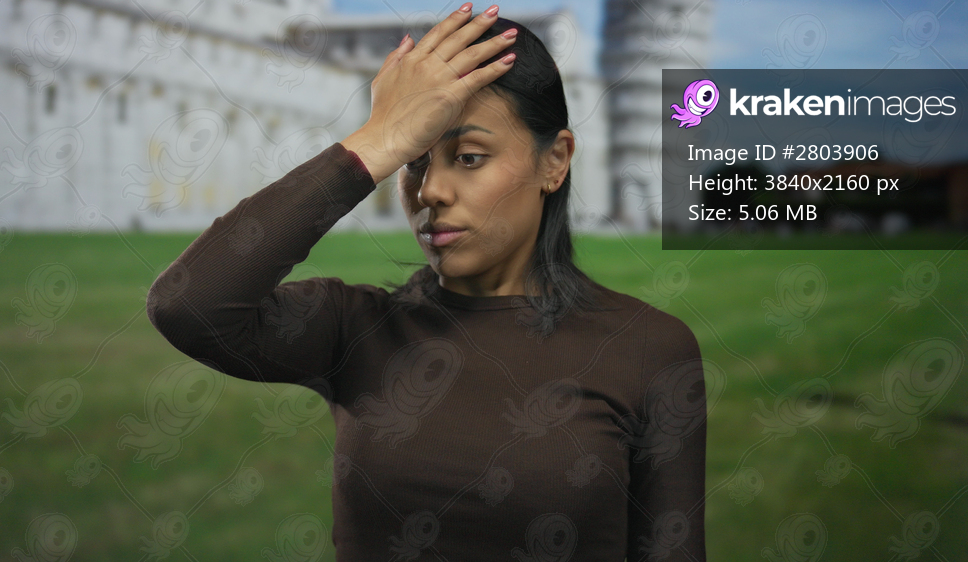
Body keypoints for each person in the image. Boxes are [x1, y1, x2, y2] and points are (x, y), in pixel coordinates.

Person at [146, 4, 707, 561]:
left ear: (554, 161)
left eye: (469, 157)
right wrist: (375, 142)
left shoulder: (647, 349)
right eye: (414, 161)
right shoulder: (355, 329)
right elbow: (188, 305)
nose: (430, 190)